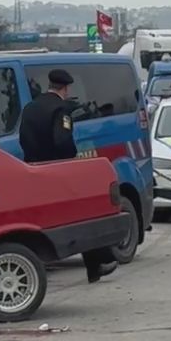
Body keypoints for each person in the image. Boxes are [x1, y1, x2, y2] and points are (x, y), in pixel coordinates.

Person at [20, 68, 118, 283]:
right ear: (65, 88)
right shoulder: (60, 109)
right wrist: (70, 158)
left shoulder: (30, 108)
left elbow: (23, 140)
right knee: (81, 216)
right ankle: (97, 263)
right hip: (58, 171)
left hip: (33, 171)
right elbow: (62, 141)